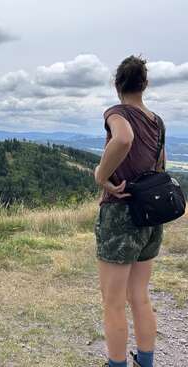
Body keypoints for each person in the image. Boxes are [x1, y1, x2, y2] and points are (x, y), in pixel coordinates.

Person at [94, 56, 165, 367]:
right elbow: (160, 164)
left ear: (116, 84)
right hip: (150, 216)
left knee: (112, 303)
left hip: (121, 213)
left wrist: (101, 176)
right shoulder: (157, 121)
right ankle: (145, 362)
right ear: (145, 84)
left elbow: (123, 138)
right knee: (140, 296)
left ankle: (117, 363)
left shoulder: (117, 112)